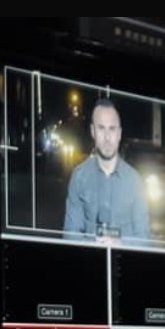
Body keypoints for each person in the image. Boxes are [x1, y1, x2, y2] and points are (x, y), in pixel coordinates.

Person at [63, 98, 150, 242]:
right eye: (101, 128)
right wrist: (94, 244)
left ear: (119, 134)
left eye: (112, 129)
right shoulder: (79, 178)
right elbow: (70, 235)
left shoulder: (135, 181)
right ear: (93, 131)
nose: (107, 137)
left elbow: (144, 239)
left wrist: (120, 244)